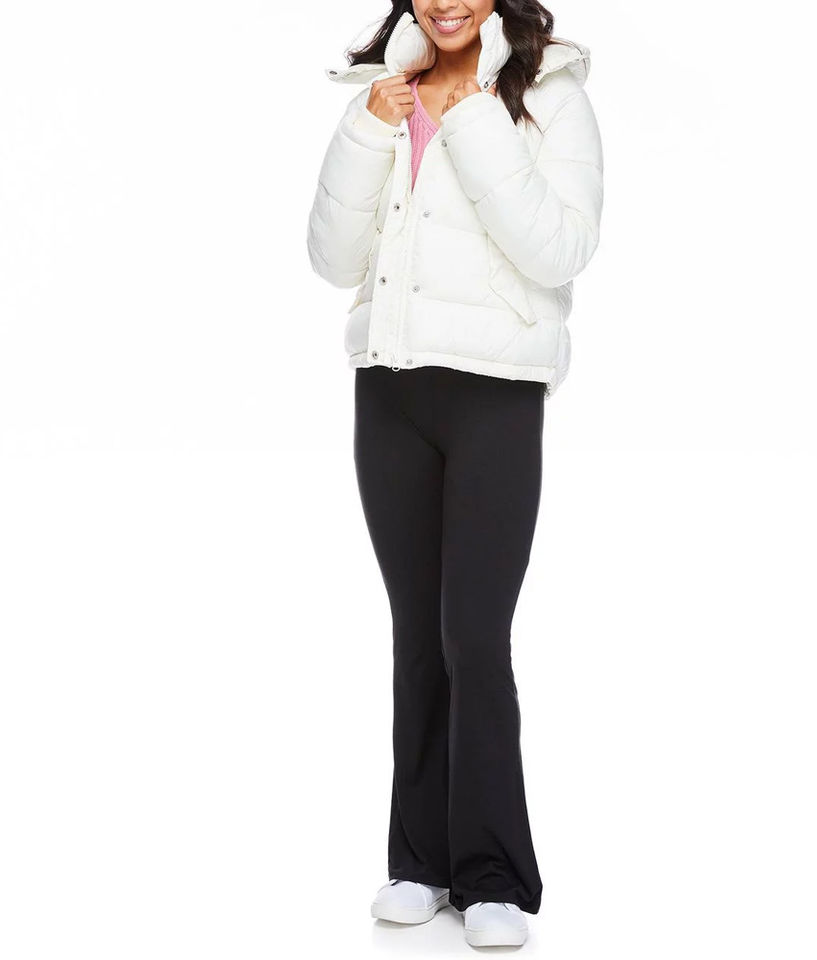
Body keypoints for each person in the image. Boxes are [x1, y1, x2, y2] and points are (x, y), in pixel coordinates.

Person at [306, 1, 603, 947]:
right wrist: (368, 130)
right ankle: (419, 863)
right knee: (417, 637)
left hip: (494, 394)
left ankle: (493, 875)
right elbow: (331, 260)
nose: (446, 3)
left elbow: (561, 249)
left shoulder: (549, 92)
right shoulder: (380, 92)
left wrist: (473, 113)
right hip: (390, 389)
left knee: (474, 634)